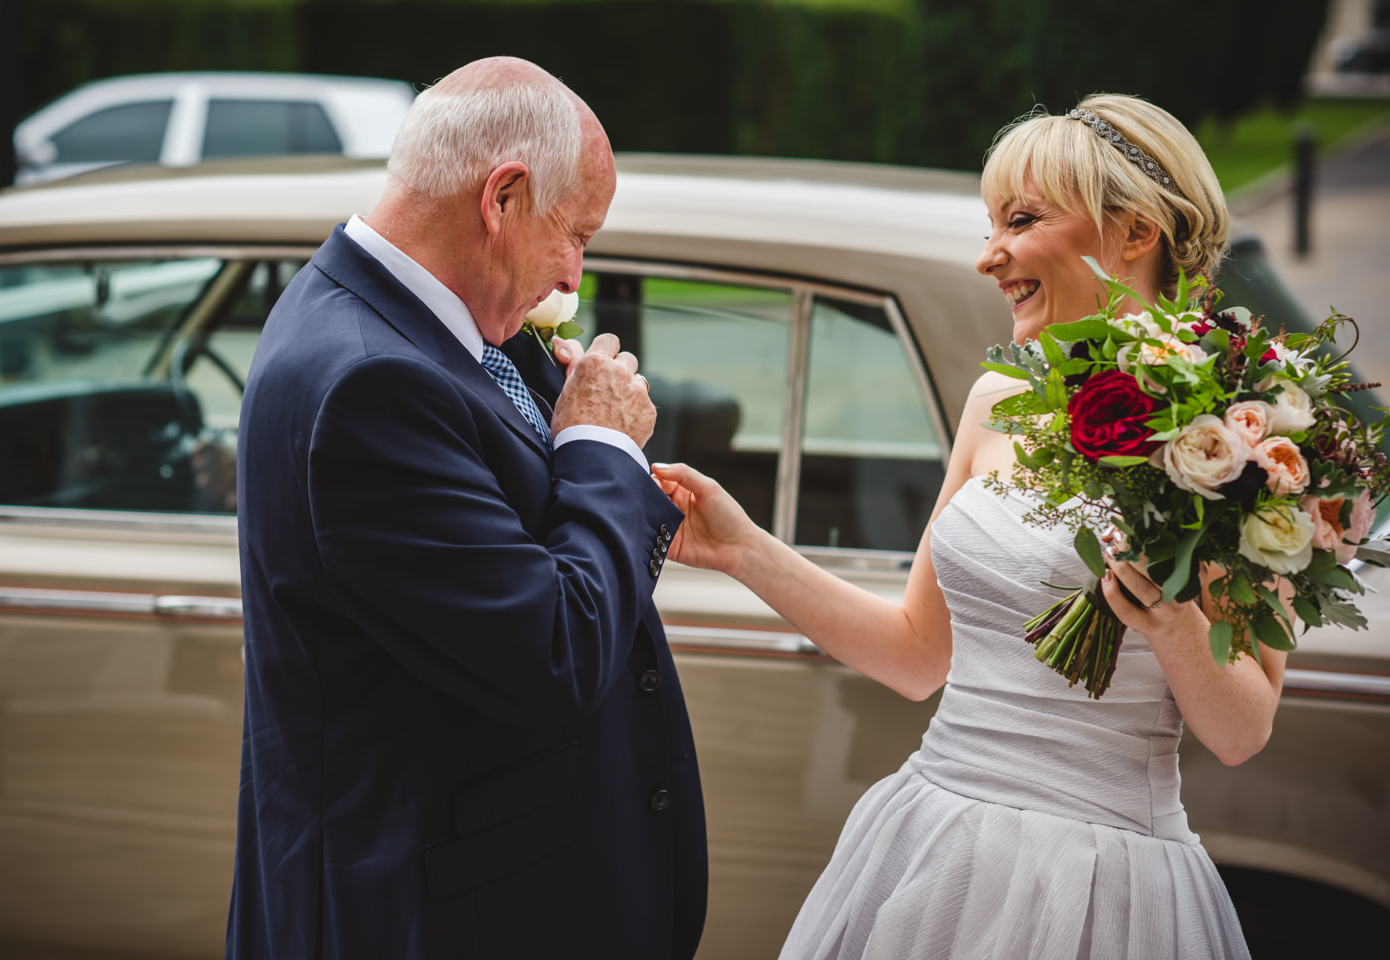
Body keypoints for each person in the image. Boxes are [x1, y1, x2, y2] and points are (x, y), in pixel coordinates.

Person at [654, 93, 1273, 959]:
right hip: (935, 837)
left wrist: (1169, 614)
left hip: (1100, 880)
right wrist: (742, 547)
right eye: (989, 225)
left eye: (1020, 220)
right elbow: (916, 655)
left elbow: (1243, 729)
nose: (989, 257)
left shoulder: (1241, 436)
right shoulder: (996, 401)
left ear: (1134, 232)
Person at [227, 57, 708, 959]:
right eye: (575, 233)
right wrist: (604, 447)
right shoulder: (370, 381)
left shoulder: (422, 328)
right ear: (503, 198)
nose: (574, 272)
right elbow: (553, 649)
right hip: (435, 917)